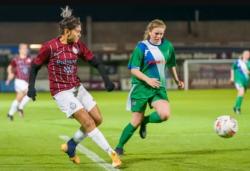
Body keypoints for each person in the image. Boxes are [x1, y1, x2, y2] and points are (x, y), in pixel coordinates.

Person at [27, 6, 121, 168]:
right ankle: (112, 154)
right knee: (88, 122)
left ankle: (71, 145)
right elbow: (35, 66)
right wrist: (31, 87)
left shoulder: (78, 46)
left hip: (77, 87)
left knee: (98, 119)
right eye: (77, 31)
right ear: (66, 31)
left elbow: (95, 62)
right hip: (61, 92)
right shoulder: (50, 47)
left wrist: (106, 80)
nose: (80, 34)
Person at [115, 19, 184, 155]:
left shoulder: (168, 46)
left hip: (158, 87)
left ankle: (145, 121)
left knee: (164, 115)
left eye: (161, 34)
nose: (159, 36)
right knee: (135, 120)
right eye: (156, 33)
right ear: (150, 32)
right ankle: (119, 147)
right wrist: (148, 80)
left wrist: (177, 80)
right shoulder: (141, 47)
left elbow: (171, 64)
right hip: (141, 87)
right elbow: (134, 70)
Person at [6, 43, 32, 121]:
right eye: (23, 48)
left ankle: (10, 114)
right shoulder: (16, 59)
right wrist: (10, 73)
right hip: (19, 80)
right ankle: (20, 107)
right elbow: (9, 67)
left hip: (26, 81)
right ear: (20, 50)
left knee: (18, 99)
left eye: (26, 48)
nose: (25, 50)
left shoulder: (29, 59)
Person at [230, 50, 250, 114]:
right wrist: (232, 78)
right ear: (243, 54)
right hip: (238, 80)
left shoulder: (249, 63)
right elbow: (232, 68)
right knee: (241, 91)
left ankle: (235, 107)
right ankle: (238, 109)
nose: (247, 55)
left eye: (248, 54)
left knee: (241, 94)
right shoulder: (238, 62)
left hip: (246, 81)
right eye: (246, 54)